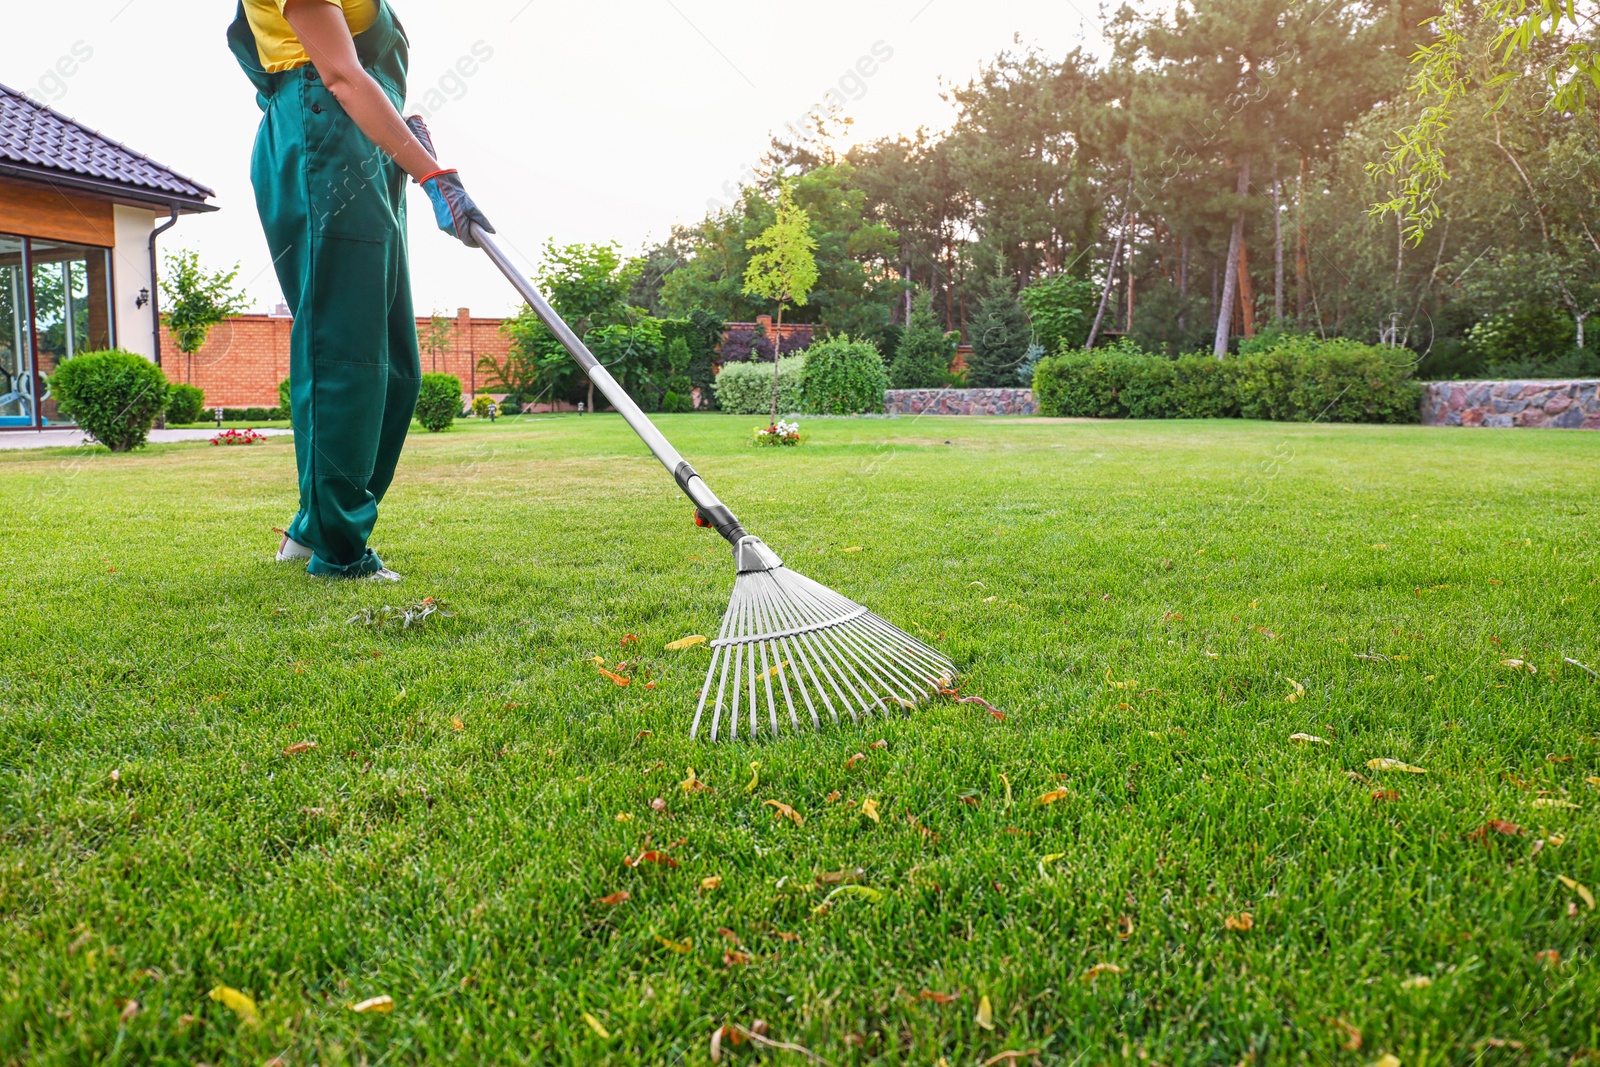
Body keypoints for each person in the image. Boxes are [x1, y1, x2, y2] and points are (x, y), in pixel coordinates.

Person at [227, 0, 492, 580]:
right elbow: (343, 76)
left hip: (364, 152)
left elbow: (366, 77)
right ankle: (340, 551)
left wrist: (404, 141)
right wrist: (433, 174)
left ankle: (311, 526)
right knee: (342, 354)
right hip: (324, 139)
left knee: (396, 370)